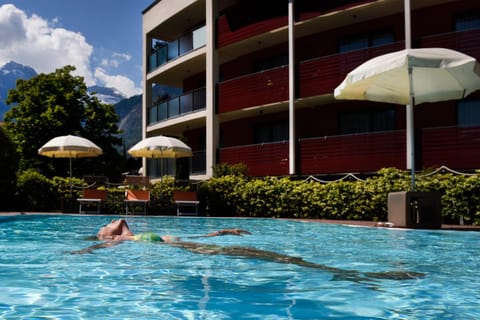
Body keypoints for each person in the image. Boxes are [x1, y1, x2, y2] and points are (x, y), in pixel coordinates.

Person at [72, 219, 424, 282]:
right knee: (266, 256)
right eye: (105, 227)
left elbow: (201, 237)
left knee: (269, 255)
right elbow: (95, 246)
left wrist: (223, 230)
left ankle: (357, 274)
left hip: (199, 248)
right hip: (196, 254)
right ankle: (355, 275)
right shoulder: (119, 241)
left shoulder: (139, 234)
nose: (111, 222)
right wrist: (84, 251)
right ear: (106, 237)